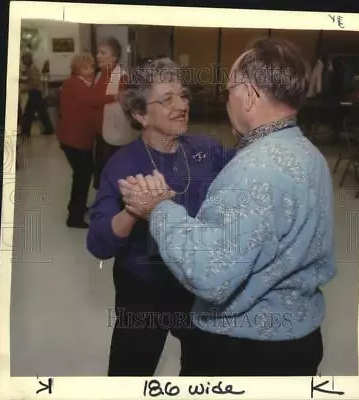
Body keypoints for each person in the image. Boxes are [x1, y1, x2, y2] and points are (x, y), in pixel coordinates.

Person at [121, 38, 337, 377]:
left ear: (249, 95)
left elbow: (211, 275)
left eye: (230, 90)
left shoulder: (255, 169)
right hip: (299, 336)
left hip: (244, 353)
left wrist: (159, 207)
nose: (227, 100)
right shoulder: (308, 153)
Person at [86, 57, 236, 376]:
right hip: (143, 287)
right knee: (129, 375)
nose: (181, 105)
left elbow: (246, 169)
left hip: (195, 283)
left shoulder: (205, 149)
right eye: (167, 100)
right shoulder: (123, 165)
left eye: (183, 96)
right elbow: (99, 243)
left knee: (202, 371)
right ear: (140, 114)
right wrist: (133, 210)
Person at [56, 53, 118, 228]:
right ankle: (74, 218)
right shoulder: (74, 83)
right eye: (85, 68)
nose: (89, 71)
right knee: (82, 177)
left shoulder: (83, 83)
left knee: (81, 175)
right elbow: (89, 100)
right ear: (77, 69)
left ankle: (76, 208)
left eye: (91, 67)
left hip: (75, 137)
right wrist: (114, 96)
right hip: (74, 138)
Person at [92, 37, 128, 190]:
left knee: (113, 174)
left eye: (103, 52)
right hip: (101, 133)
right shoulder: (100, 75)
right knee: (101, 172)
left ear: (114, 58)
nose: (98, 56)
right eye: (98, 52)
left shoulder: (122, 77)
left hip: (115, 135)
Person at [20, 52, 54, 137]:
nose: (22, 61)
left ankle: (26, 132)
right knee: (42, 112)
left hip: (35, 93)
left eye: (23, 59)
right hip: (35, 92)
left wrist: (25, 88)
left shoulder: (32, 68)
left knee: (29, 113)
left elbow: (35, 82)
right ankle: (49, 129)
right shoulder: (30, 68)